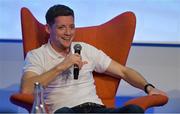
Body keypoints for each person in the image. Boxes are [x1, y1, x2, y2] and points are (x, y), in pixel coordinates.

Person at [20, 4, 167, 113]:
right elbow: (26, 89)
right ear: (48, 29)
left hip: (96, 109)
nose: (68, 33)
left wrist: (149, 88)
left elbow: (123, 71)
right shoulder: (37, 55)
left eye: (72, 27)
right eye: (62, 28)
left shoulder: (84, 49)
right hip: (66, 111)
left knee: (133, 110)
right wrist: (61, 66)